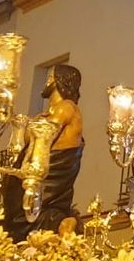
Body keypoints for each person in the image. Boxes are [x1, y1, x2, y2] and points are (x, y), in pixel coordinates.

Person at [5, 63, 84, 239]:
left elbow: (45, 134)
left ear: (60, 81)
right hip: (30, 172)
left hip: (50, 175)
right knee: (20, 218)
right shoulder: (47, 113)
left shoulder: (66, 107)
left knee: (39, 215)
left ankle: (63, 223)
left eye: (51, 77)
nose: (47, 81)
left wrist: (32, 126)